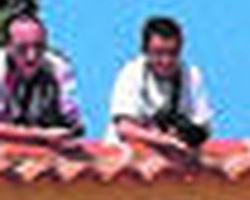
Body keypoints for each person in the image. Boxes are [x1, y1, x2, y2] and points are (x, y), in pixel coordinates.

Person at [107, 16, 214, 154]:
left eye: (173, 53)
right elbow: (124, 127)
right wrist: (163, 140)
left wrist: (187, 134)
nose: (166, 61)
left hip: (176, 158)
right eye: (158, 53)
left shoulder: (191, 76)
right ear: (145, 51)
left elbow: (205, 126)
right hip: (128, 157)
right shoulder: (132, 73)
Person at [0, 11, 84, 149]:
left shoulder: (59, 68)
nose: (31, 56)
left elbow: (73, 122)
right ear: (8, 47)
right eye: (22, 48)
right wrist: (40, 135)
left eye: (39, 47)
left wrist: (68, 132)